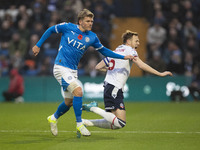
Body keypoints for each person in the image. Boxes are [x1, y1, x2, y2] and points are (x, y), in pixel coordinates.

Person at [32, 9, 134, 137]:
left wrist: (122, 57)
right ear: (80, 21)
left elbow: (104, 51)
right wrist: (38, 44)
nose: (91, 23)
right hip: (60, 67)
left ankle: (53, 117)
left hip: (73, 71)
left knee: (69, 102)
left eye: (92, 20)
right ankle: (79, 124)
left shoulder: (92, 37)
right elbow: (51, 30)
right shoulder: (67, 27)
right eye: (88, 21)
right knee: (79, 91)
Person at [82, 30, 173, 130]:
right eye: (136, 41)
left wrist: (110, 69)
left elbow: (98, 67)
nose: (138, 43)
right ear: (128, 42)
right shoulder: (130, 50)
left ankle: (86, 122)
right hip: (115, 87)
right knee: (120, 123)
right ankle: (93, 108)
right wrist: (159, 73)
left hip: (109, 86)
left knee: (114, 123)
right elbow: (141, 65)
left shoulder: (116, 51)